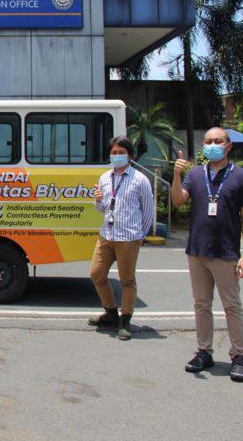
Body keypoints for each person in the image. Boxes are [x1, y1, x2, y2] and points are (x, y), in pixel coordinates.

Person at [172, 127, 243, 382]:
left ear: (228, 146)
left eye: (218, 141)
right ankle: (204, 351)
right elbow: (178, 201)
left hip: (226, 252)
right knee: (201, 304)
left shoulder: (241, 176)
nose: (212, 145)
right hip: (197, 250)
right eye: (208, 141)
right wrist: (176, 175)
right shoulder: (195, 174)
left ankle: (239, 357)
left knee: (231, 306)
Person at [88, 136, 154, 341]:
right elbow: (101, 207)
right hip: (106, 235)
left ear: (129, 155)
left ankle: (125, 320)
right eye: (114, 153)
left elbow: (148, 211)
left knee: (127, 280)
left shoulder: (139, 179)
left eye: (121, 153)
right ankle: (110, 313)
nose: (116, 156)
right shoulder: (105, 178)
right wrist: (97, 200)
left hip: (128, 237)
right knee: (97, 274)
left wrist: (139, 236)